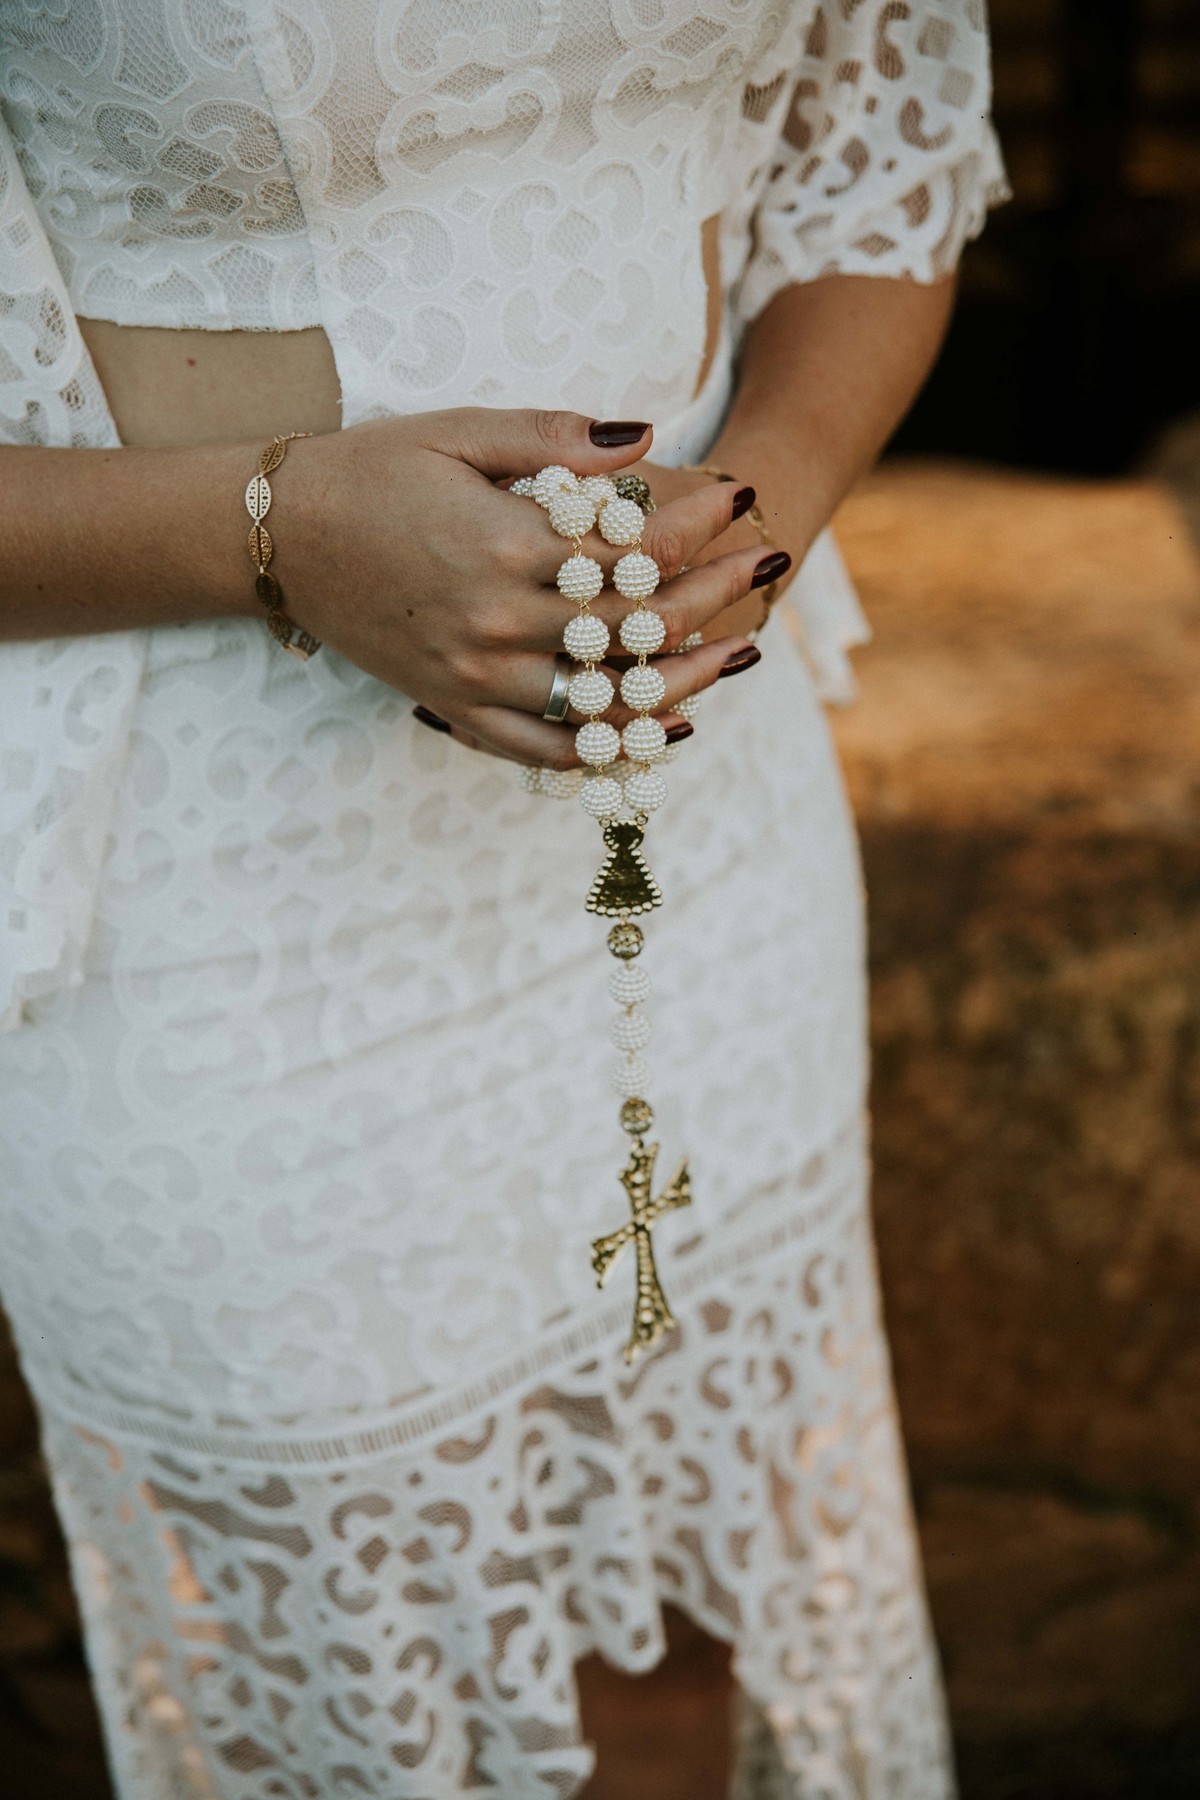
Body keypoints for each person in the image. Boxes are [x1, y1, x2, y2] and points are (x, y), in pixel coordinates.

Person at [0, 5, 1006, 1796]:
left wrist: (745, 527)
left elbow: (878, 176)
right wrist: (277, 527)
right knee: (387, 1715)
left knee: (688, 1653)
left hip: (698, 779)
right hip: (217, 885)